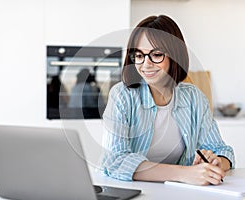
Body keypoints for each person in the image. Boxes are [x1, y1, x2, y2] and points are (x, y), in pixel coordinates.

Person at [100, 15, 235, 186]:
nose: (145, 64)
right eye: (139, 55)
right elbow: (116, 161)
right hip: (128, 190)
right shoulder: (122, 96)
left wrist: (215, 163)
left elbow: (223, 151)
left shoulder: (194, 98)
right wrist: (184, 174)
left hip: (176, 192)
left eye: (156, 55)